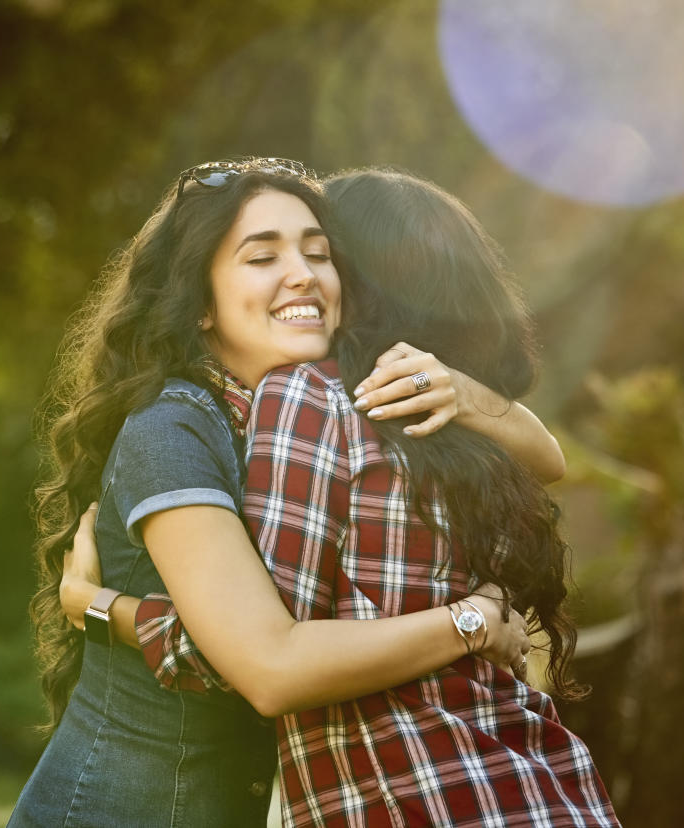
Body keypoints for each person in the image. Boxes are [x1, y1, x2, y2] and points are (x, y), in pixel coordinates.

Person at [59, 168, 619, 826]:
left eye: (321, 254)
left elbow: (262, 656)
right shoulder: (441, 435)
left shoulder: (325, 401)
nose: (303, 274)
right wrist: (469, 619)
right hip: (543, 789)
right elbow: (266, 651)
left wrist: (103, 608)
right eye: (266, 256)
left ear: (359, 282)